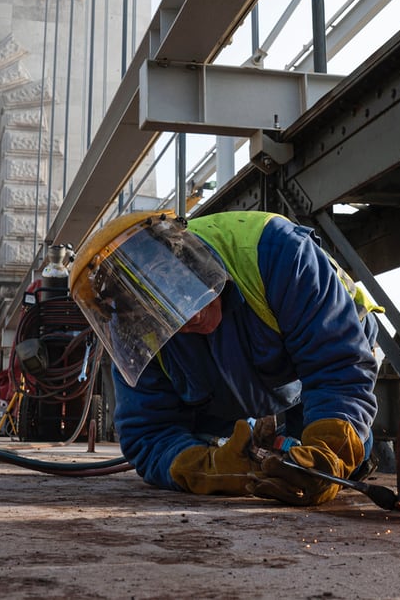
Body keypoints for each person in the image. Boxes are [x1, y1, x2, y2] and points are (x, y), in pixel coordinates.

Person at [69, 209, 382, 505]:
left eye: (185, 292)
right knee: (268, 462)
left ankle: (349, 448)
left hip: (334, 346)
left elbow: (337, 368)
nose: (190, 318)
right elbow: (148, 434)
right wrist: (210, 467)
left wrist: (332, 451)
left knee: (343, 453)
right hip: (237, 382)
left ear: (190, 258)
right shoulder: (135, 332)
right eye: (166, 317)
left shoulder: (275, 252)